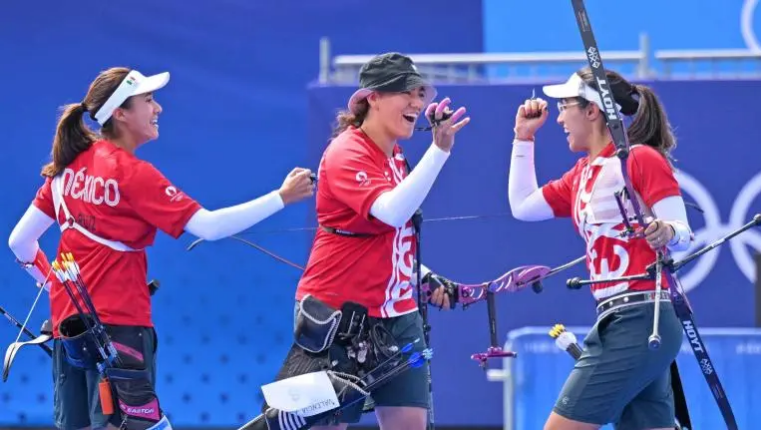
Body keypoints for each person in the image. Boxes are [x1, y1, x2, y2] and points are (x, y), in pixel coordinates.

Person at [7, 67, 315, 430]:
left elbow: (20, 243)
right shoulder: (132, 174)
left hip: (69, 332)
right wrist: (282, 197)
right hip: (119, 332)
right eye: (148, 101)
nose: (159, 109)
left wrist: (49, 282)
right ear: (120, 113)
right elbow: (209, 227)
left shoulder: (66, 168)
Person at [290, 52, 469, 430]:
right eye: (407, 92)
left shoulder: (396, 157)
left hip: (399, 318)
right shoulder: (346, 151)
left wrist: (424, 275)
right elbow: (391, 212)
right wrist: (439, 151)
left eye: (420, 94)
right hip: (334, 318)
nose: (418, 103)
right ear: (373, 97)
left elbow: (393, 237)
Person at [507, 67, 693, 430]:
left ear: (592, 110)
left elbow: (683, 234)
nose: (558, 117)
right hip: (616, 319)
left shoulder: (639, 159)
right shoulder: (581, 173)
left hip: (641, 318)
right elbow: (523, 206)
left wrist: (665, 231)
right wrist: (523, 138)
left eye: (565, 106)